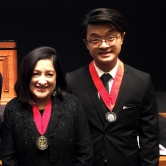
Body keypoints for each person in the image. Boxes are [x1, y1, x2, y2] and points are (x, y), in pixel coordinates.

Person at [66, 8, 159, 166]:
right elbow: (67, 134)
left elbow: (149, 137)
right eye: (95, 39)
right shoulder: (72, 81)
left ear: (122, 38)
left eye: (110, 37)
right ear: (86, 44)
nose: (104, 45)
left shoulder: (142, 81)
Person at [1, 46, 93, 166]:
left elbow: (85, 154)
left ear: (57, 76)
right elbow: (8, 157)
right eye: (35, 74)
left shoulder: (73, 105)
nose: (42, 81)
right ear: (26, 76)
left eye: (49, 74)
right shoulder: (12, 109)